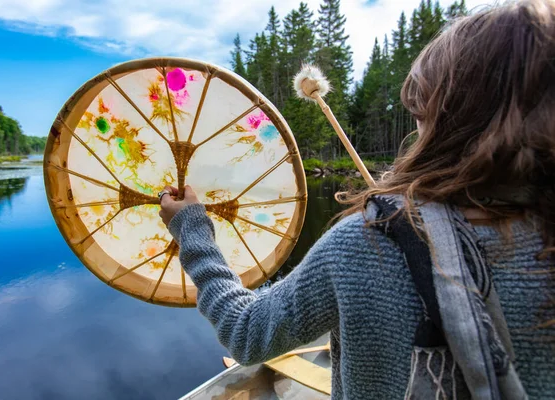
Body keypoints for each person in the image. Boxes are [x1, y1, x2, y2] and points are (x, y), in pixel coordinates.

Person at [159, 1, 555, 398]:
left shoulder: (366, 245)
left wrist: (193, 229)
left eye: (420, 111)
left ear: (442, 119)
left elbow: (246, 333)